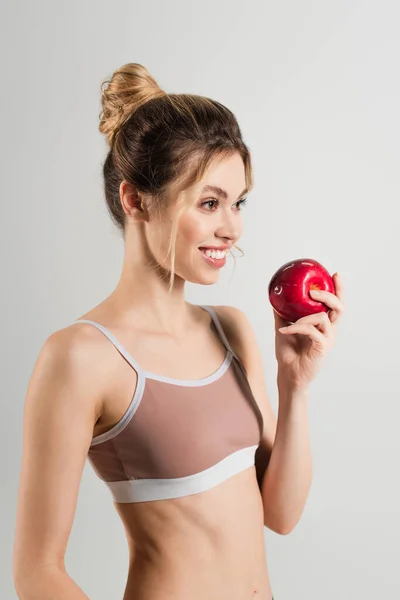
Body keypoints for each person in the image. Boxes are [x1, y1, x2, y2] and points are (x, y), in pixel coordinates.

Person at [13, 63, 344, 600]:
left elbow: (280, 516)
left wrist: (295, 384)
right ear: (135, 200)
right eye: (209, 202)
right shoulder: (80, 357)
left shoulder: (231, 329)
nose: (231, 227)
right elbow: (36, 571)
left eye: (238, 203)